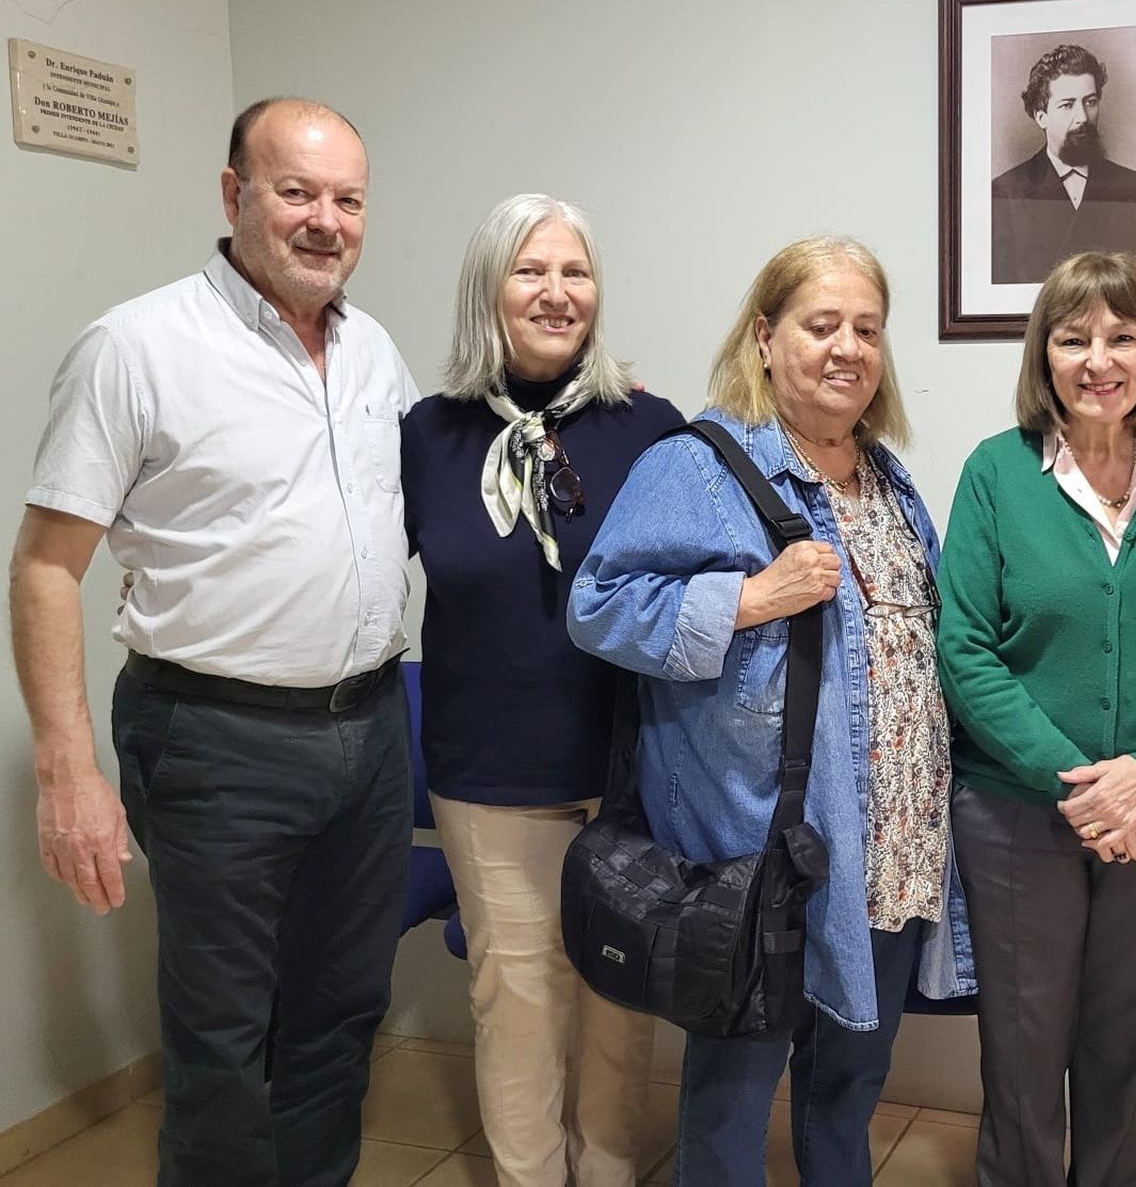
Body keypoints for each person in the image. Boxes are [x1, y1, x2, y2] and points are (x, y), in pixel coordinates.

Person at [9, 98, 416, 1185]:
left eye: (347, 199)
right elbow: (47, 567)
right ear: (234, 195)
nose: (325, 221)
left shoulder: (375, 352)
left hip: (371, 732)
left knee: (339, 1012)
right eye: (296, 192)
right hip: (216, 740)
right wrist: (68, 768)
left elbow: (437, 501)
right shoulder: (136, 348)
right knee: (224, 1040)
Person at [568, 236, 974, 1187]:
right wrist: (747, 600)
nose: (848, 349)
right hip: (770, 848)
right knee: (738, 1084)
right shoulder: (703, 464)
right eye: (820, 325)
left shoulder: (888, 479)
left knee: (852, 1071)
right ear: (764, 336)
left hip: (894, 843)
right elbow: (596, 607)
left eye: (866, 329)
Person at [938, 251, 1136, 1186]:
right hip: (1016, 817)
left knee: (1133, 1052)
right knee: (1024, 1057)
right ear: (1044, 353)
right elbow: (965, 649)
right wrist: (1082, 786)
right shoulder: (996, 472)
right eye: (1073, 338)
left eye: (1122, 335)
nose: (1098, 358)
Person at [400, 193, 681, 1186]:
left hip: (629, 767)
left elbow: (695, 582)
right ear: (489, 289)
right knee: (516, 1000)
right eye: (530, 271)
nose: (557, 292)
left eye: (576, 271)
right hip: (488, 769)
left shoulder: (650, 426)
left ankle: (606, 1172)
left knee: (618, 1000)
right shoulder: (425, 434)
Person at [991, 44, 1136, 285]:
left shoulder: (1133, 188)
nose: (1083, 117)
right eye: (1067, 105)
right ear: (1040, 116)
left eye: (1090, 102)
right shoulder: (1006, 192)